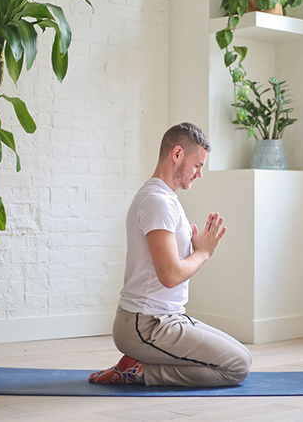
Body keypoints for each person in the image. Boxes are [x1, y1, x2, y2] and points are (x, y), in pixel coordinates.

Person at [89, 122, 252, 387]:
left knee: (243, 356)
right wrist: (203, 252)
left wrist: (193, 246)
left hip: (167, 318)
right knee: (236, 367)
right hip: (145, 325)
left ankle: (137, 364)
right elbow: (171, 275)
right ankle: (139, 371)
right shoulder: (157, 202)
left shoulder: (166, 199)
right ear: (177, 154)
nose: (199, 174)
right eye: (198, 165)